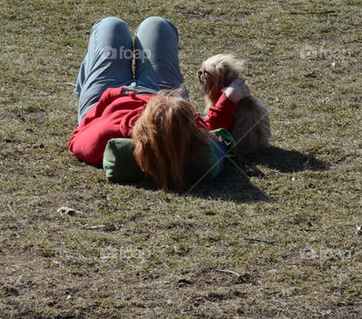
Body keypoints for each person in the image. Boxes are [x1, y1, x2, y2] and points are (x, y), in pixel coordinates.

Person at [68, 16, 250, 190]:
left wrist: (110, 96)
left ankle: (88, 82)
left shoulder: (104, 135)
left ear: (145, 121)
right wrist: (228, 101)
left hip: (106, 99)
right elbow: (215, 135)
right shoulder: (183, 123)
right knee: (158, 25)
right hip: (152, 88)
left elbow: (77, 135)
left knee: (111, 26)